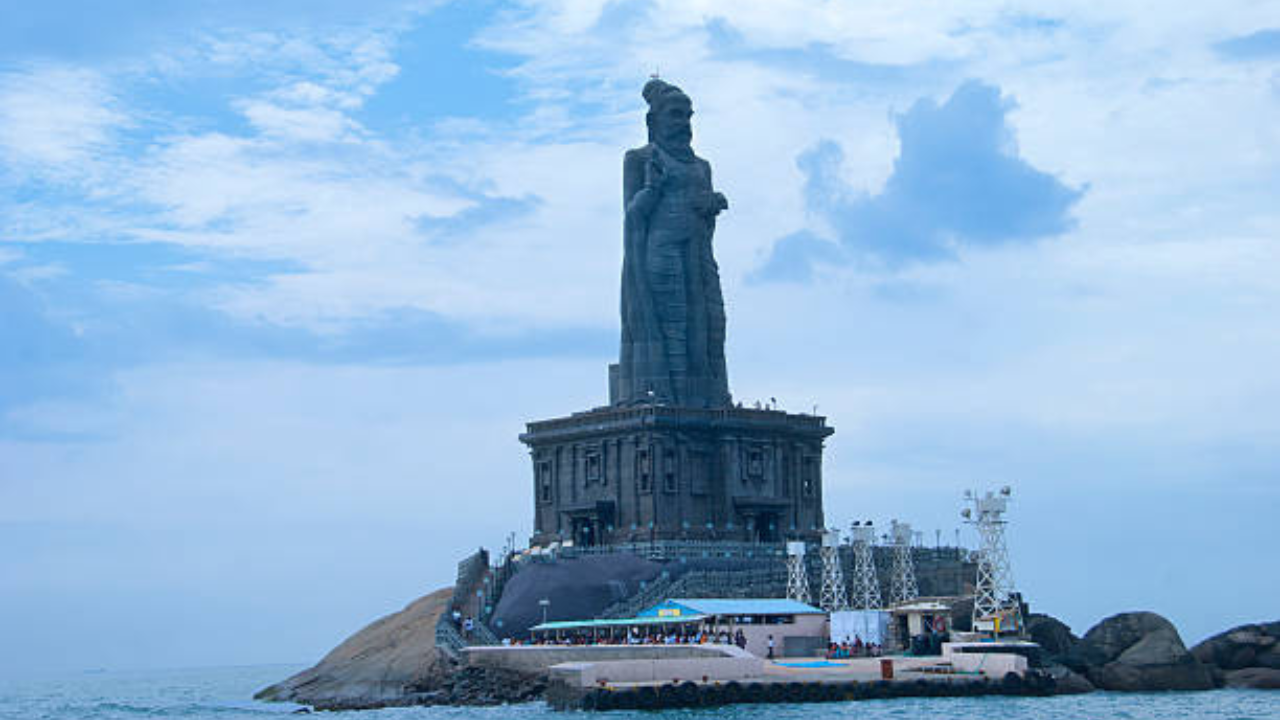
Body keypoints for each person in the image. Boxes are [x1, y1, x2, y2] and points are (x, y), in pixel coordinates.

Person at [617, 78, 731, 409]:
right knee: (669, 330)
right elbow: (632, 216)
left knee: (710, 326)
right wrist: (652, 188)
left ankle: (708, 397)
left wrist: (711, 205)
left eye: (688, 116)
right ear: (654, 121)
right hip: (660, 255)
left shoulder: (702, 166)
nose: (683, 123)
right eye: (676, 115)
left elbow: (704, 217)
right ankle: (663, 397)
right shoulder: (639, 159)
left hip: (698, 257)